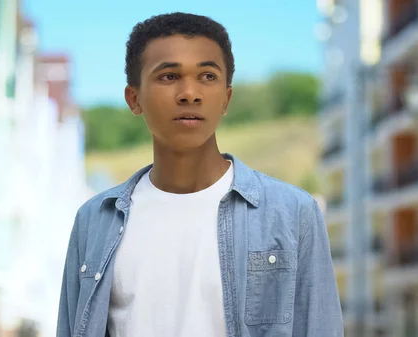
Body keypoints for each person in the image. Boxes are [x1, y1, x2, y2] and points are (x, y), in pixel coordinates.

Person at [57, 12, 343, 337]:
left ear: (226, 97)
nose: (189, 93)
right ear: (134, 98)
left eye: (207, 76)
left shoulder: (293, 213)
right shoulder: (94, 220)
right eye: (168, 76)